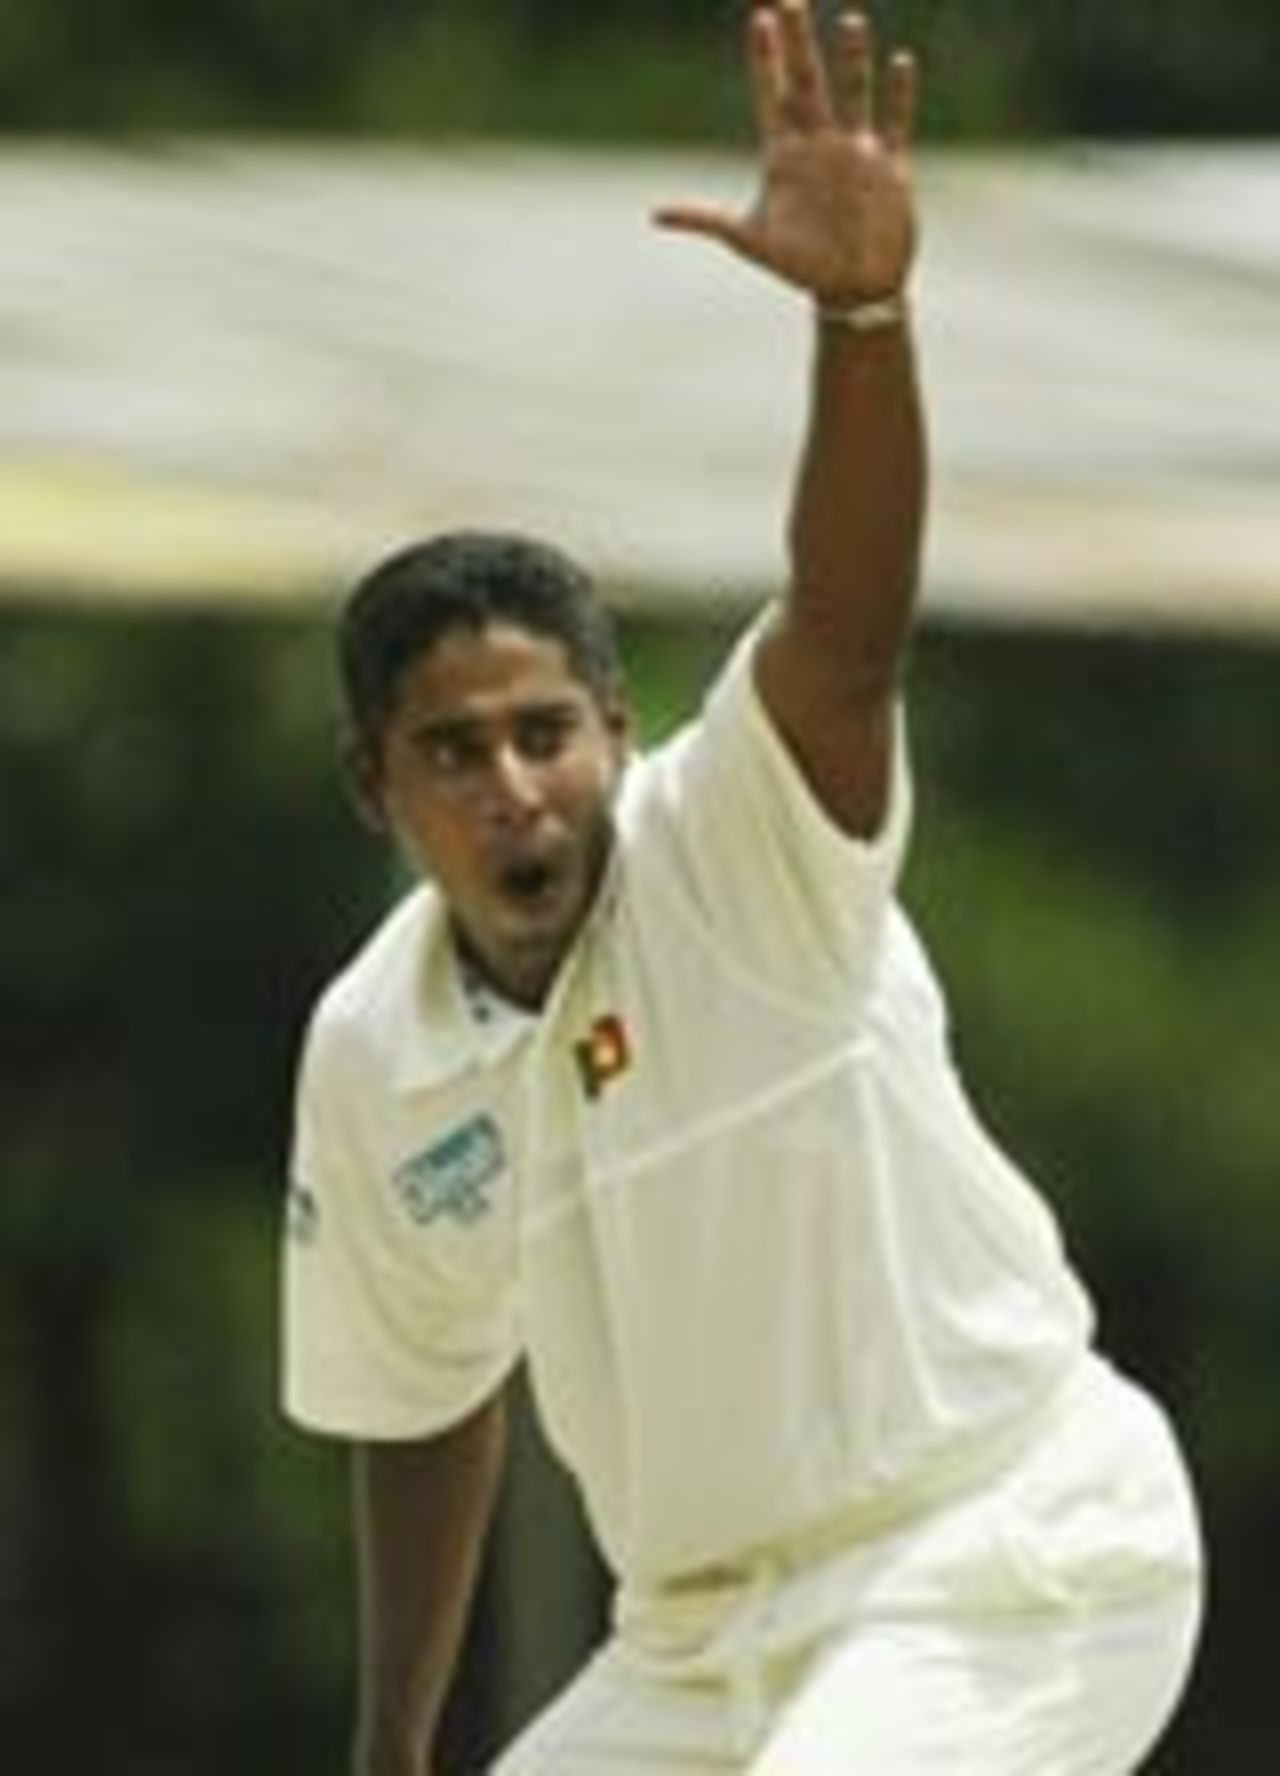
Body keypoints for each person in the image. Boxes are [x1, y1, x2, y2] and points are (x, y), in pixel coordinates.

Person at [281, 4, 1204, 1771]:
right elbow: (417, 1396)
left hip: (1001, 1557)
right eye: (453, 754)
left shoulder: (740, 846)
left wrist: (862, 320)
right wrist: (393, 1754)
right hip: (697, 1646)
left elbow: (848, 633)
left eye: (547, 731)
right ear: (375, 790)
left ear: (619, 729)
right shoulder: (374, 1050)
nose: (515, 787)